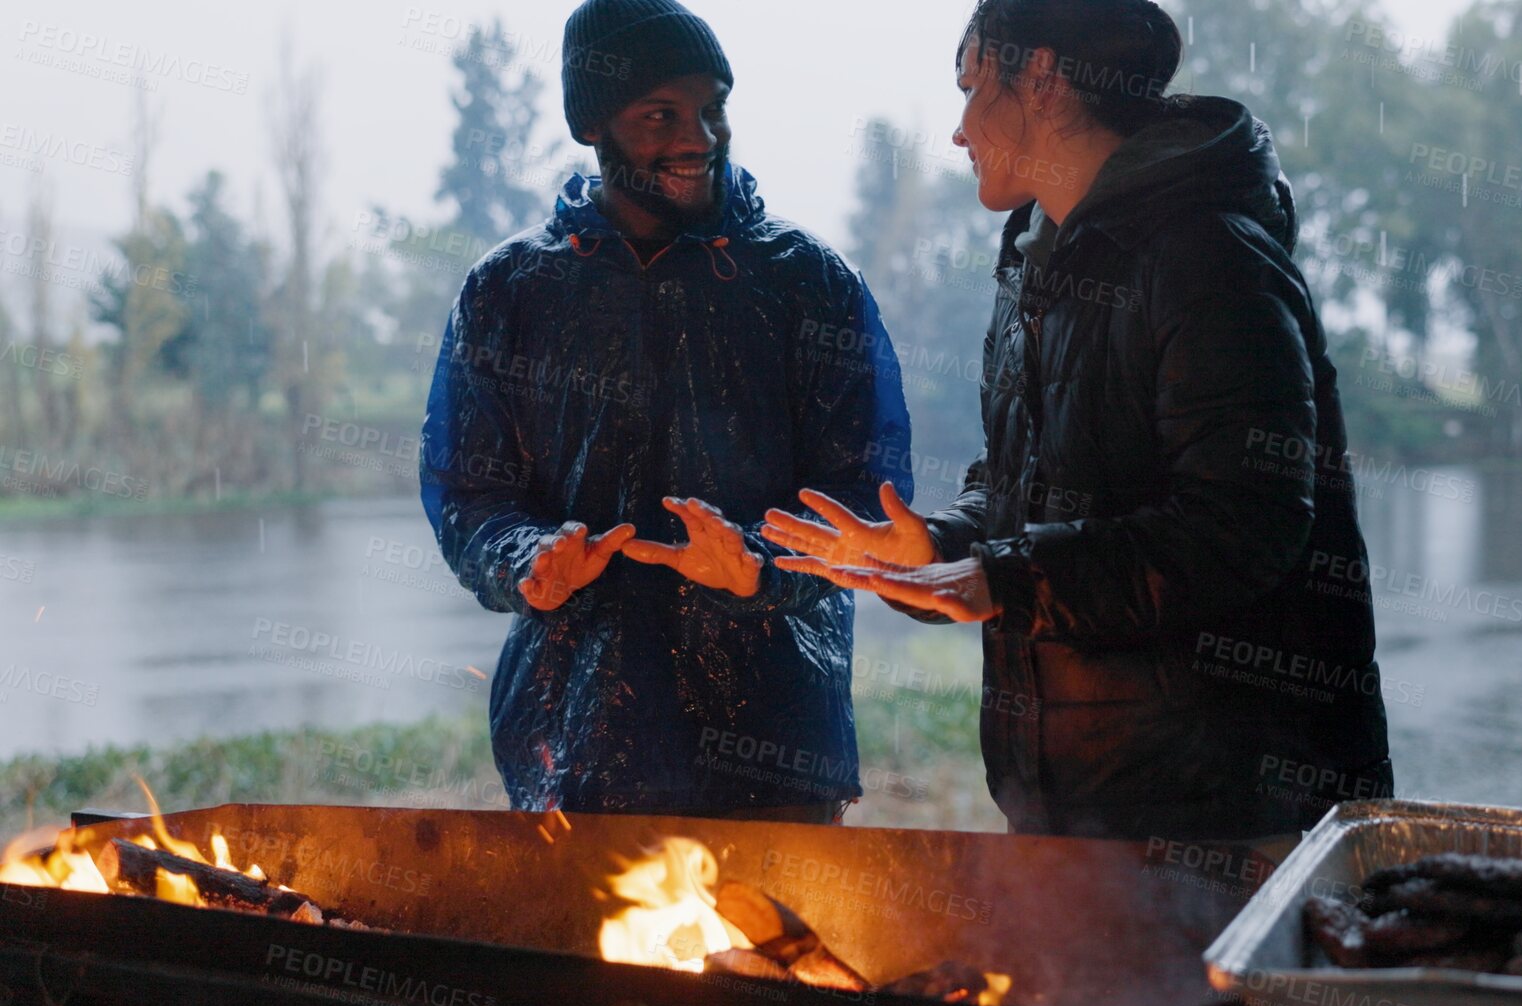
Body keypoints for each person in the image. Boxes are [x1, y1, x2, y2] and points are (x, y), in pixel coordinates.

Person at [764, 0, 1390, 843]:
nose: (956, 131)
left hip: (1225, 808)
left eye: (971, 86)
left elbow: (1242, 523)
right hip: (1076, 799)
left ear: (1044, 78)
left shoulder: (1209, 260)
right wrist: (943, 546)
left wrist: (1012, 578)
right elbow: (1028, 489)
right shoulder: (1036, 258)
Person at [420, 0, 912, 823]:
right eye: (660, 114)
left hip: (778, 735)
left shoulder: (808, 280)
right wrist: (528, 561)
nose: (700, 137)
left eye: (712, 108)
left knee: (780, 951)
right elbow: (468, 495)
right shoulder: (508, 289)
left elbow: (868, 499)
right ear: (591, 126)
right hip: (575, 741)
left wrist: (757, 566)